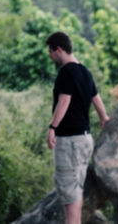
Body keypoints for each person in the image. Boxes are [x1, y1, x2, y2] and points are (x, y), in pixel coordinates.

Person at [46, 31, 110, 224]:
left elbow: (64, 101)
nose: (50, 56)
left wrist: (52, 127)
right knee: (75, 195)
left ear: (58, 49)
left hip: (70, 143)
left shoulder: (67, 71)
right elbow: (96, 98)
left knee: (70, 201)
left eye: (50, 52)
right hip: (84, 140)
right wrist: (104, 118)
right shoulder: (84, 71)